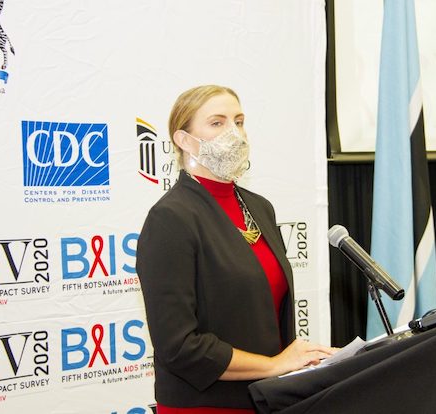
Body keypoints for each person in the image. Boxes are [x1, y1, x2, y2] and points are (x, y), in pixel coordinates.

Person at [136, 85, 335, 413]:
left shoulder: (260, 208)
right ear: (184, 140)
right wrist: (274, 365)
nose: (234, 133)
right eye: (217, 123)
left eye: (239, 121)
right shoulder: (171, 218)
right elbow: (179, 346)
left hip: (267, 398)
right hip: (206, 404)